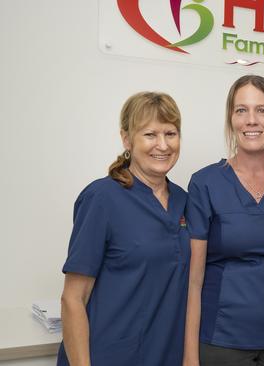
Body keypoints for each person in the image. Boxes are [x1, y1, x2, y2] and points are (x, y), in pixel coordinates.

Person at [183, 75, 264, 366]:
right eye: (242, 110)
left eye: (262, 110)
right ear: (231, 119)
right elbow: (194, 280)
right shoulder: (206, 183)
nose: (251, 120)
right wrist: (190, 355)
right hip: (220, 341)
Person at [57, 92, 188, 366]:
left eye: (171, 133)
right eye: (150, 134)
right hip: (108, 355)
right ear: (127, 139)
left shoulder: (184, 201)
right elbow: (73, 298)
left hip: (166, 355)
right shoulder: (102, 198)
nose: (163, 145)